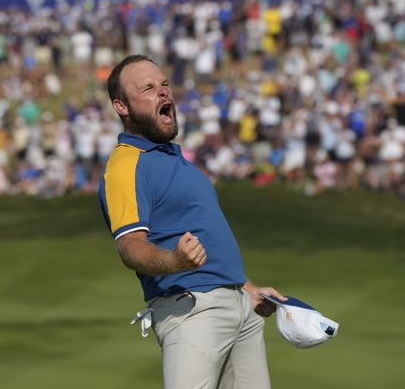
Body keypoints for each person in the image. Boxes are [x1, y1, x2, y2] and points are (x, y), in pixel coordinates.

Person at [97, 54, 285, 389]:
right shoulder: (127, 164)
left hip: (239, 309)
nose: (163, 93)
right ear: (121, 106)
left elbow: (206, 240)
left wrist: (246, 289)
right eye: (149, 88)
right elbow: (130, 246)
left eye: (165, 84)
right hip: (191, 311)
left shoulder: (175, 160)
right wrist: (173, 260)